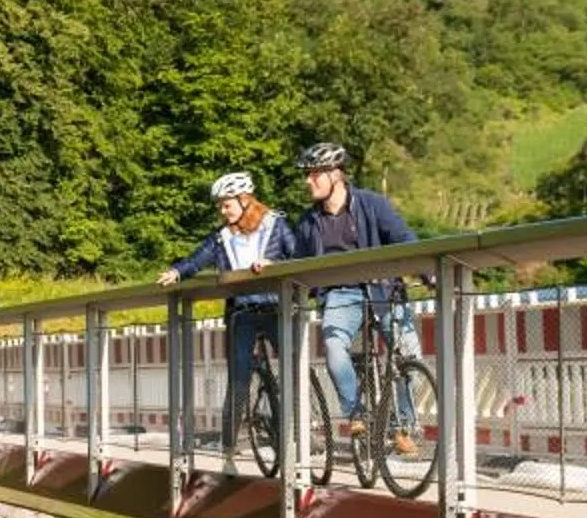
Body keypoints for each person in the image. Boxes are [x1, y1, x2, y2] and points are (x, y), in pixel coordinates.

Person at [157, 170, 295, 455]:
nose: (222, 211)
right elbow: (197, 259)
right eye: (220, 205)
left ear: (245, 200)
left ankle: (291, 436)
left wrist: (273, 264)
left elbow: (297, 255)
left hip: (274, 308)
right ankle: (229, 444)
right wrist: (177, 272)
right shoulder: (221, 237)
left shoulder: (275, 225)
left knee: (292, 370)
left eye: (227, 204)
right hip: (241, 311)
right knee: (239, 377)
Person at [286, 141, 417, 438]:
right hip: (339, 295)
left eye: (314, 174)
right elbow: (296, 265)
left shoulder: (372, 204)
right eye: (307, 174)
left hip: (382, 289)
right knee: (333, 345)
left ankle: (404, 427)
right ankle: (355, 413)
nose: (308, 181)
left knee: (409, 355)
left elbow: (404, 239)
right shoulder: (308, 223)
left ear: (336, 174)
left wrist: (427, 272)